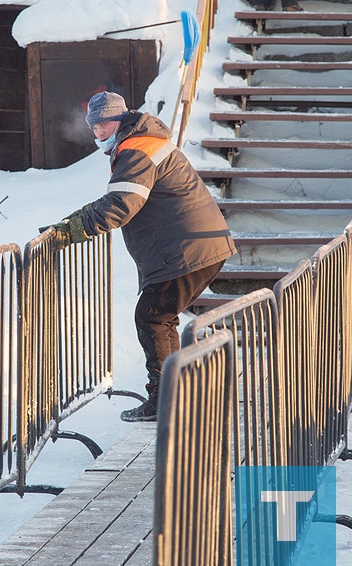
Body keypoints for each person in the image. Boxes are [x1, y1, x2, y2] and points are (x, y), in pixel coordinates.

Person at [46, 91, 236, 422]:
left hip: (187, 246)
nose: (98, 132)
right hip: (196, 243)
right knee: (159, 316)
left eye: (104, 123)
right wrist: (70, 221)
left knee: (152, 316)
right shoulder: (138, 142)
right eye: (94, 125)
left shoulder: (136, 147)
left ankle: (166, 402)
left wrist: (69, 232)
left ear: (119, 120)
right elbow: (116, 198)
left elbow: (119, 207)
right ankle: (175, 395)